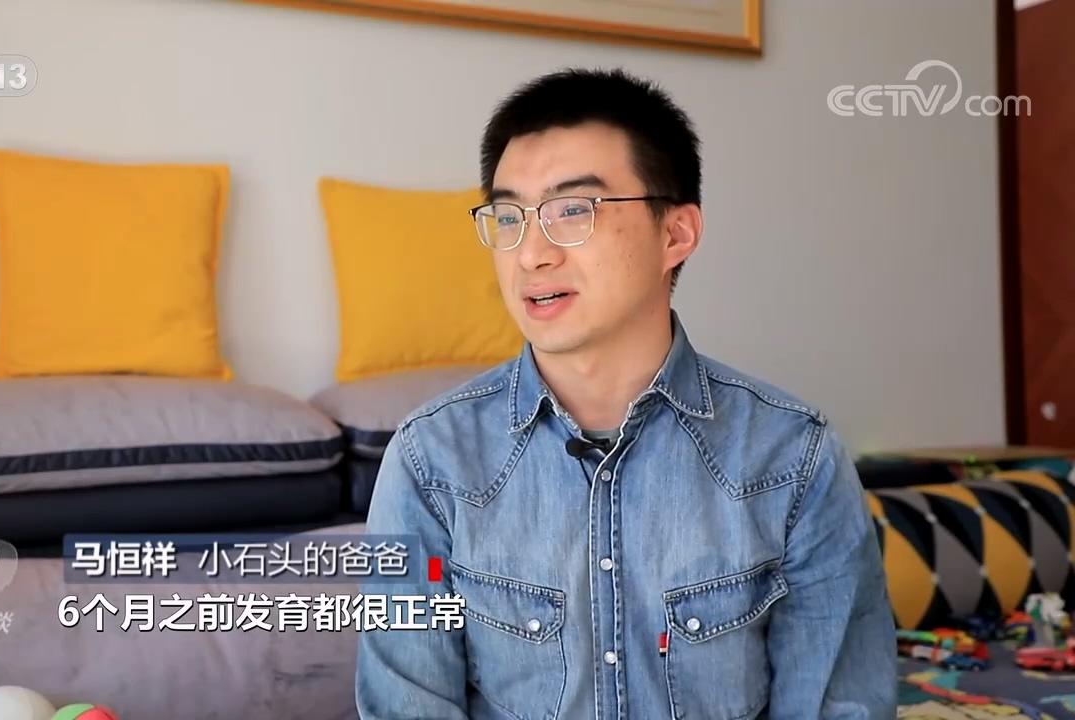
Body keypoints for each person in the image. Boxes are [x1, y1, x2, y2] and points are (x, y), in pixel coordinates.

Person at [355, 68, 896, 719]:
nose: (530, 254)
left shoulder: (794, 458)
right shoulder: (430, 460)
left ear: (676, 234)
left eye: (572, 211)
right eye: (508, 216)